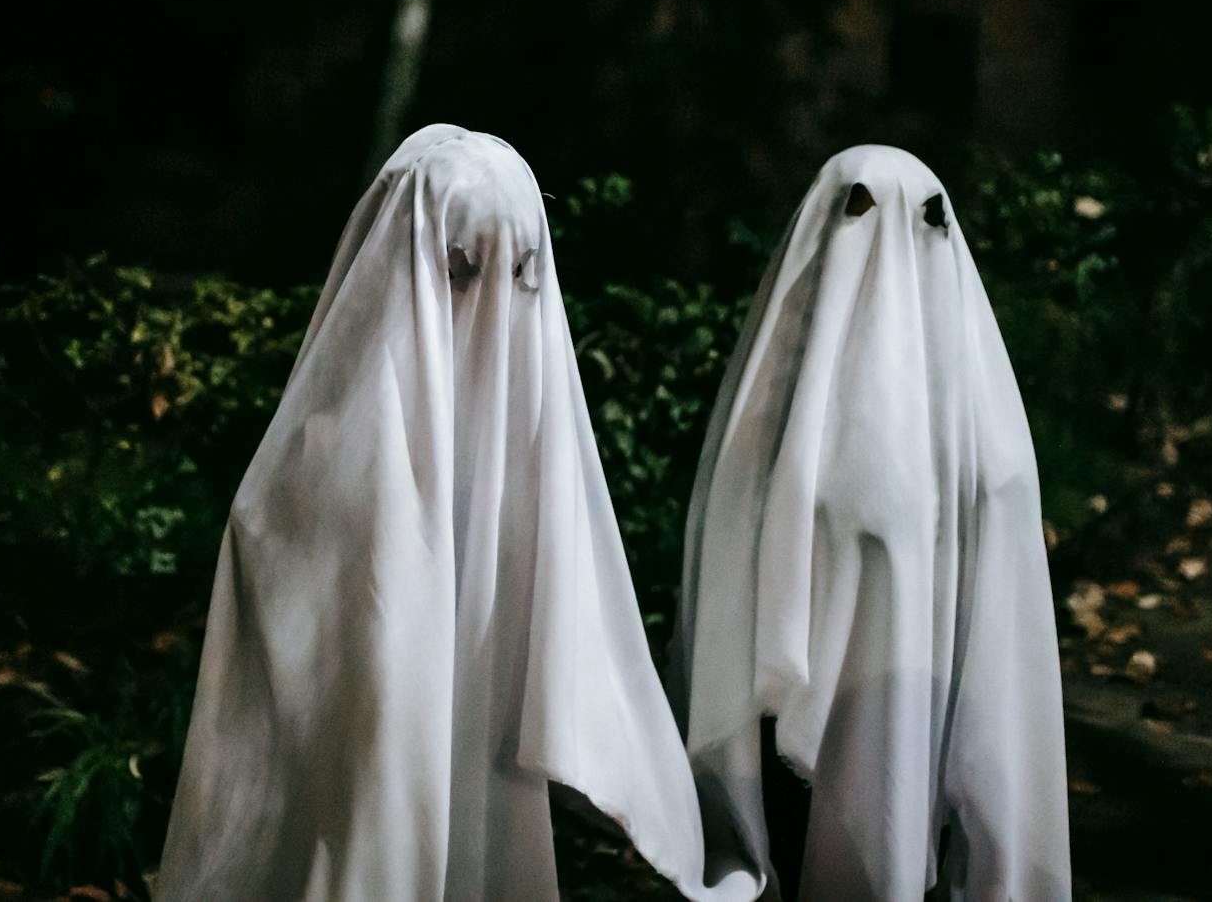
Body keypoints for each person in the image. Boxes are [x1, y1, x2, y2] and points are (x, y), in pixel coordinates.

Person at [153, 124, 760, 902]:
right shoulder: (338, 430)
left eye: (522, 271)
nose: (494, 305)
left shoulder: (524, 421)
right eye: (463, 268)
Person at [673, 145, 1071, 901]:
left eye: (922, 220)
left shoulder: (988, 440)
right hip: (787, 748)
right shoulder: (771, 410)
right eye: (860, 212)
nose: (887, 244)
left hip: (931, 726)